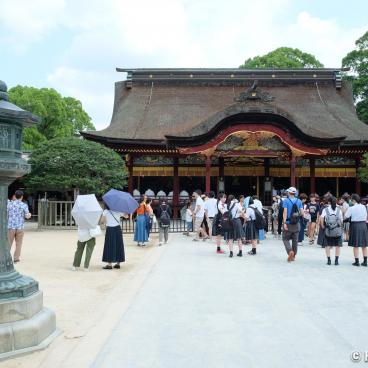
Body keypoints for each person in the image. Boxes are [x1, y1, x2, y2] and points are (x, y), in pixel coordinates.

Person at [7, 190, 31, 263]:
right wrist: (29, 215)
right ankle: (16, 258)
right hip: (20, 227)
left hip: (11, 226)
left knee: (8, 243)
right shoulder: (24, 205)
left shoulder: (9, 204)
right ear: (22, 197)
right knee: (19, 243)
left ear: (15, 195)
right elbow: (27, 216)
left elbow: (6, 213)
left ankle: (6, 258)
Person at [344, 193, 368, 267]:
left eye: (351, 200)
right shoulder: (364, 207)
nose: (351, 201)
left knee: (356, 245)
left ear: (353, 200)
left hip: (355, 225)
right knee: (364, 245)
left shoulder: (351, 208)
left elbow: (345, 216)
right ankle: (365, 262)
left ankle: (357, 262)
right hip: (363, 225)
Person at [282, 187, 304, 262]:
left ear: (288, 193)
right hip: (296, 223)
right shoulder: (299, 201)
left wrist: (284, 222)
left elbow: (285, 212)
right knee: (295, 240)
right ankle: (293, 255)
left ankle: (290, 251)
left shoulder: (286, 201)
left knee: (285, 238)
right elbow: (302, 213)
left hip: (288, 223)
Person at [320, 196, 342, 265]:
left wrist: (323, 226)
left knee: (328, 246)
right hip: (337, 231)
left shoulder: (325, 209)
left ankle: (329, 260)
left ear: (329, 202)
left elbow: (321, 218)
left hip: (328, 230)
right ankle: (336, 261)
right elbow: (341, 220)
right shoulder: (339, 210)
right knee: (337, 246)